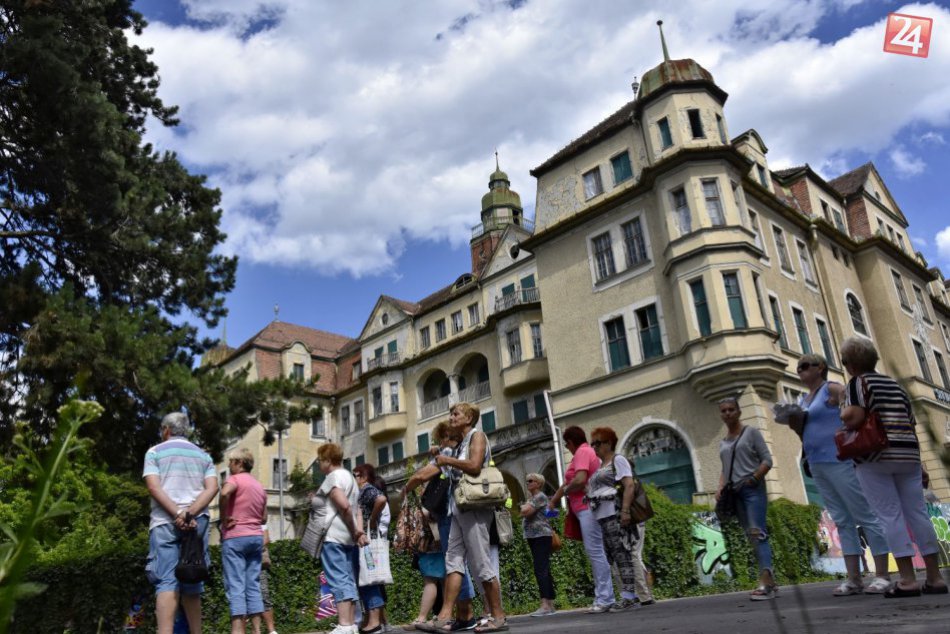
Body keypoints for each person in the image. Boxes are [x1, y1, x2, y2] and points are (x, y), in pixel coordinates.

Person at [839, 337, 948, 598]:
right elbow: (910, 423)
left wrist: (842, 408)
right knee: (917, 514)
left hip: (875, 456)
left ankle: (908, 580)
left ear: (851, 364)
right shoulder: (895, 385)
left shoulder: (857, 383)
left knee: (890, 515)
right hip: (908, 454)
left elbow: (853, 417)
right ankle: (935, 577)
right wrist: (920, 464)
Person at [793, 353, 893, 596]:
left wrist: (843, 411)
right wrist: (793, 421)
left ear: (821, 368)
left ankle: (882, 575)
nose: (801, 370)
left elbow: (855, 411)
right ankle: (854, 579)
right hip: (816, 461)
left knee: (864, 513)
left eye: (805, 365)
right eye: (798, 368)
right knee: (841, 520)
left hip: (840, 458)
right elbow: (803, 432)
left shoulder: (832, 388)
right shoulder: (805, 398)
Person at [419, 402, 507, 634]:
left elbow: (475, 466)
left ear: (469, 417)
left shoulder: (477, 436)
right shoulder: (459, 445)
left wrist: (446, 461)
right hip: (459, 508)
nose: (451, 417)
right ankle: (445, 615)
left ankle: (498, 617)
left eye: (455, 414)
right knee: (453, 561)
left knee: (481, 564)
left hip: (475, 509)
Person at [143, 412, 218, 634]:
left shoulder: (154, 452)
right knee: (193, 579)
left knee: (166, 581)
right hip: (197, 522)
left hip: (164, 521)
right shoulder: (204, 456)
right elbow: (212, 487)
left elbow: (153, 487)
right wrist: (190, 513)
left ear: (166, 430)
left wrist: (178, 513)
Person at [402, 422, 475, 631]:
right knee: (461, 564)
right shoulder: (458, 452)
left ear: (444, 437)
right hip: (458, 512)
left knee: (455, 564)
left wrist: (406, 489)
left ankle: (464, 614)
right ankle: (465, 614)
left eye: (438, 439)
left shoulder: (447, 454)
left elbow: (421, 475)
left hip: (449, 515)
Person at [547, 426, 614, 613]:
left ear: (570, 442)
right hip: (584, 510)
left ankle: (605, 598)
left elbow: (579, 480)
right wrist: (554, 500)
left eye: (566, 444)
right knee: (596, 552)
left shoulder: (582, 452)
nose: (567, 448)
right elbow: (569, 482)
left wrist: (566, 493)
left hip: (587, 509)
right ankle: (603, 595)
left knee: (595, 552)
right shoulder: (584, 453)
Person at [716, 397, 776, 600]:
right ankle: (769, 580)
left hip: (752, 489)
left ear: (739, 412)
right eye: (723, 410)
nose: (727, 413)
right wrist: (720, 488)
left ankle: (766, 583)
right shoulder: (723, 442)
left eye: (731, 409)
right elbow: (725, 468)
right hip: (734, 493)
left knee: (757, 533)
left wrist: (754, 478)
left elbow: (767, 460)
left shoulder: (751, 433)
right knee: (751, 537)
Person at [313, 443, 369, 634]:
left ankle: (344, 624)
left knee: (337, 579)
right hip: (346, 538)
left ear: (328, 460)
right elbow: (356, 508)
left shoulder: (332, 477)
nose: (319, 464)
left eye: (320, 460)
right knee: (347, 578)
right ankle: (351, 624)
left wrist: (355, 530)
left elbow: (343, 506)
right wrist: (357, 532)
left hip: (333, 535)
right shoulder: (350, 478)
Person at [585, 427, 641, 612]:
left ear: (609, 443)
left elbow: (629, 485)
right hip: (601, 515)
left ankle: (629, 597)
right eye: (592, 443)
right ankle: (624, 595)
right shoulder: (601, 465)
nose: (594, 447)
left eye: (597, 443)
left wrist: (625, 511)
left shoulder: (618, 460)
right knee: (613, 556)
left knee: (622, 554)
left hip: (614, 512)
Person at [220, 447, 268, 634]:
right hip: (255, 537)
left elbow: (225, 494)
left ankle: (237, 631)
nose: (229, 466)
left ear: (239, 463)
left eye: (231, 462)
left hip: (235, 537)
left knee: (236, 585)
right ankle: (257, 631)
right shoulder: (259, 486)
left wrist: (224, 517)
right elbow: (264, 518)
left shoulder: (234, 480)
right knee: (253, 585)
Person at [353, 464, 388, 634]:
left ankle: (374, 622)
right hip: (367, 541)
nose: (354, 478)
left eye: (356, 474)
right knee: (366, 579)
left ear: (364, 477)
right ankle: (371, 620)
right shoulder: (363, 491)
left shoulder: (367, 489)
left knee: (369, 579)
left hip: (366, 542)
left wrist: (372, 521)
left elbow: (381, 499)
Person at [520, 473, 556, 617]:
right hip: (535, 536)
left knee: (540, 568)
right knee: (543, 569)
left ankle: (545, 604)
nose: (528, 483)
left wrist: (524, 507)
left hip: (541, 536)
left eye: (531, 481)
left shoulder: (539, 497)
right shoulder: (532, 499)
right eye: (527, 480)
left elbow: (525, 511)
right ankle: (550, 604)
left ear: (538, 483)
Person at [250, 525, 278, 634]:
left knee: (264, 595)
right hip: (243, 563)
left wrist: (251, 550)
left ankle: (271, 630)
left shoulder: (258, 519)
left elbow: (266, 538)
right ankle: (255, 630)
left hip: (258, 563)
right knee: (247, 597)